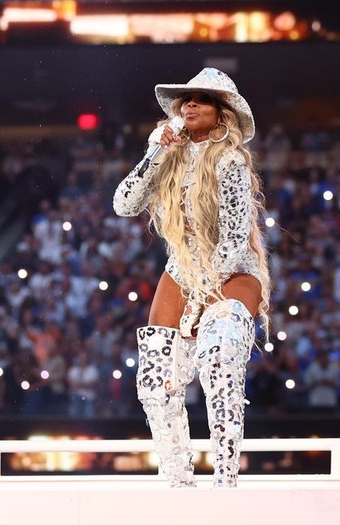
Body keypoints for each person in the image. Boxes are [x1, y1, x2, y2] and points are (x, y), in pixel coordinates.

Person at [112, 68, 270, 488]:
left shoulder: (231, 160)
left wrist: (204, 297)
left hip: (231, 271)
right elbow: (124, 204)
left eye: (202, 99)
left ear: (222, 114)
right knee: (154, 377)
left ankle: (225, 478)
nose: (190, 104)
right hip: (182, 269)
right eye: (187, 99)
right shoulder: (168, 154)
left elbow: (236, 238)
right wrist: (157, 153)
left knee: (219, 358)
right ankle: (178, 480)